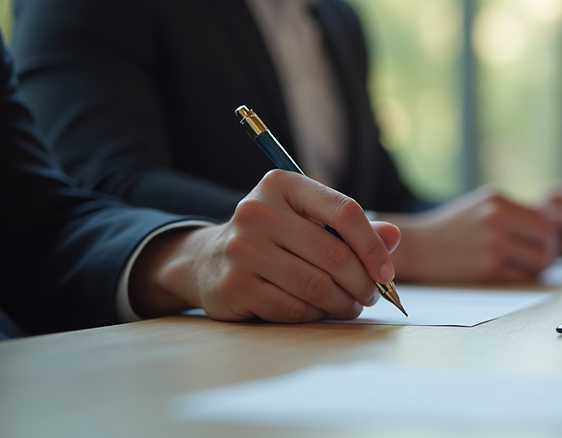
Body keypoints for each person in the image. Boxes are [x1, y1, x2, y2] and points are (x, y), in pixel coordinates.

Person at [11, 0, 562, 285]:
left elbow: (384, 195)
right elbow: (97, 185)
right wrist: (399, 247)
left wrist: (512, 226)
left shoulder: (334, 16)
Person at [0, 28, 402, 338]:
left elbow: (32, 228)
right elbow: (101, 176)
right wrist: (409, 245)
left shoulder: (333, 14)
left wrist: (195, 258)